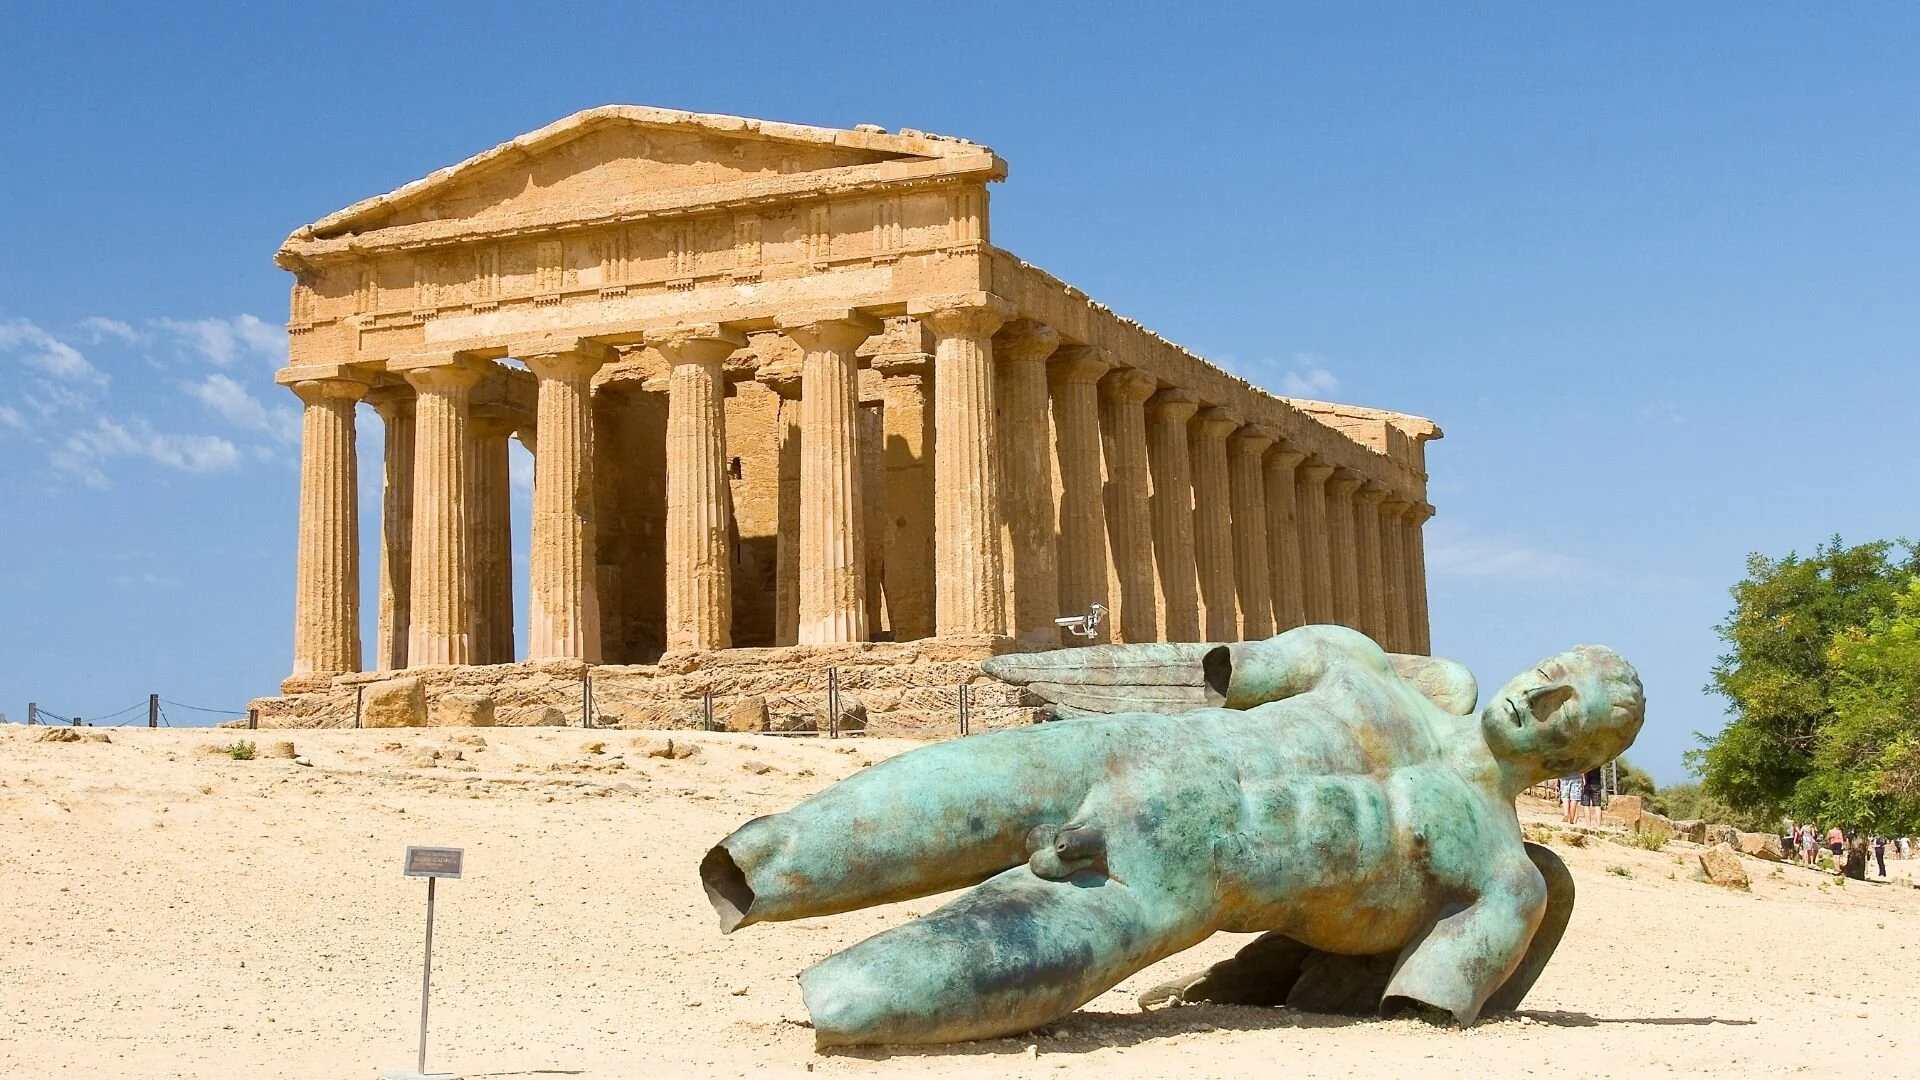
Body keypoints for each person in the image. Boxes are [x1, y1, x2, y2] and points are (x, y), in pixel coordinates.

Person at [705, 627, 1647, 1045]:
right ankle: (753, 879)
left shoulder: (1504, 880)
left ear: (1582, 758)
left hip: (1169, 880)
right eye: (1551, 671)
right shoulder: (1360, 664)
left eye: (1570, 710)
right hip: (1115, 752)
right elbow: (1218, 673)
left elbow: (1413, 1005)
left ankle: (828, 1003)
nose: (1540, 695)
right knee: (783, 852)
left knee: (860, 1003)